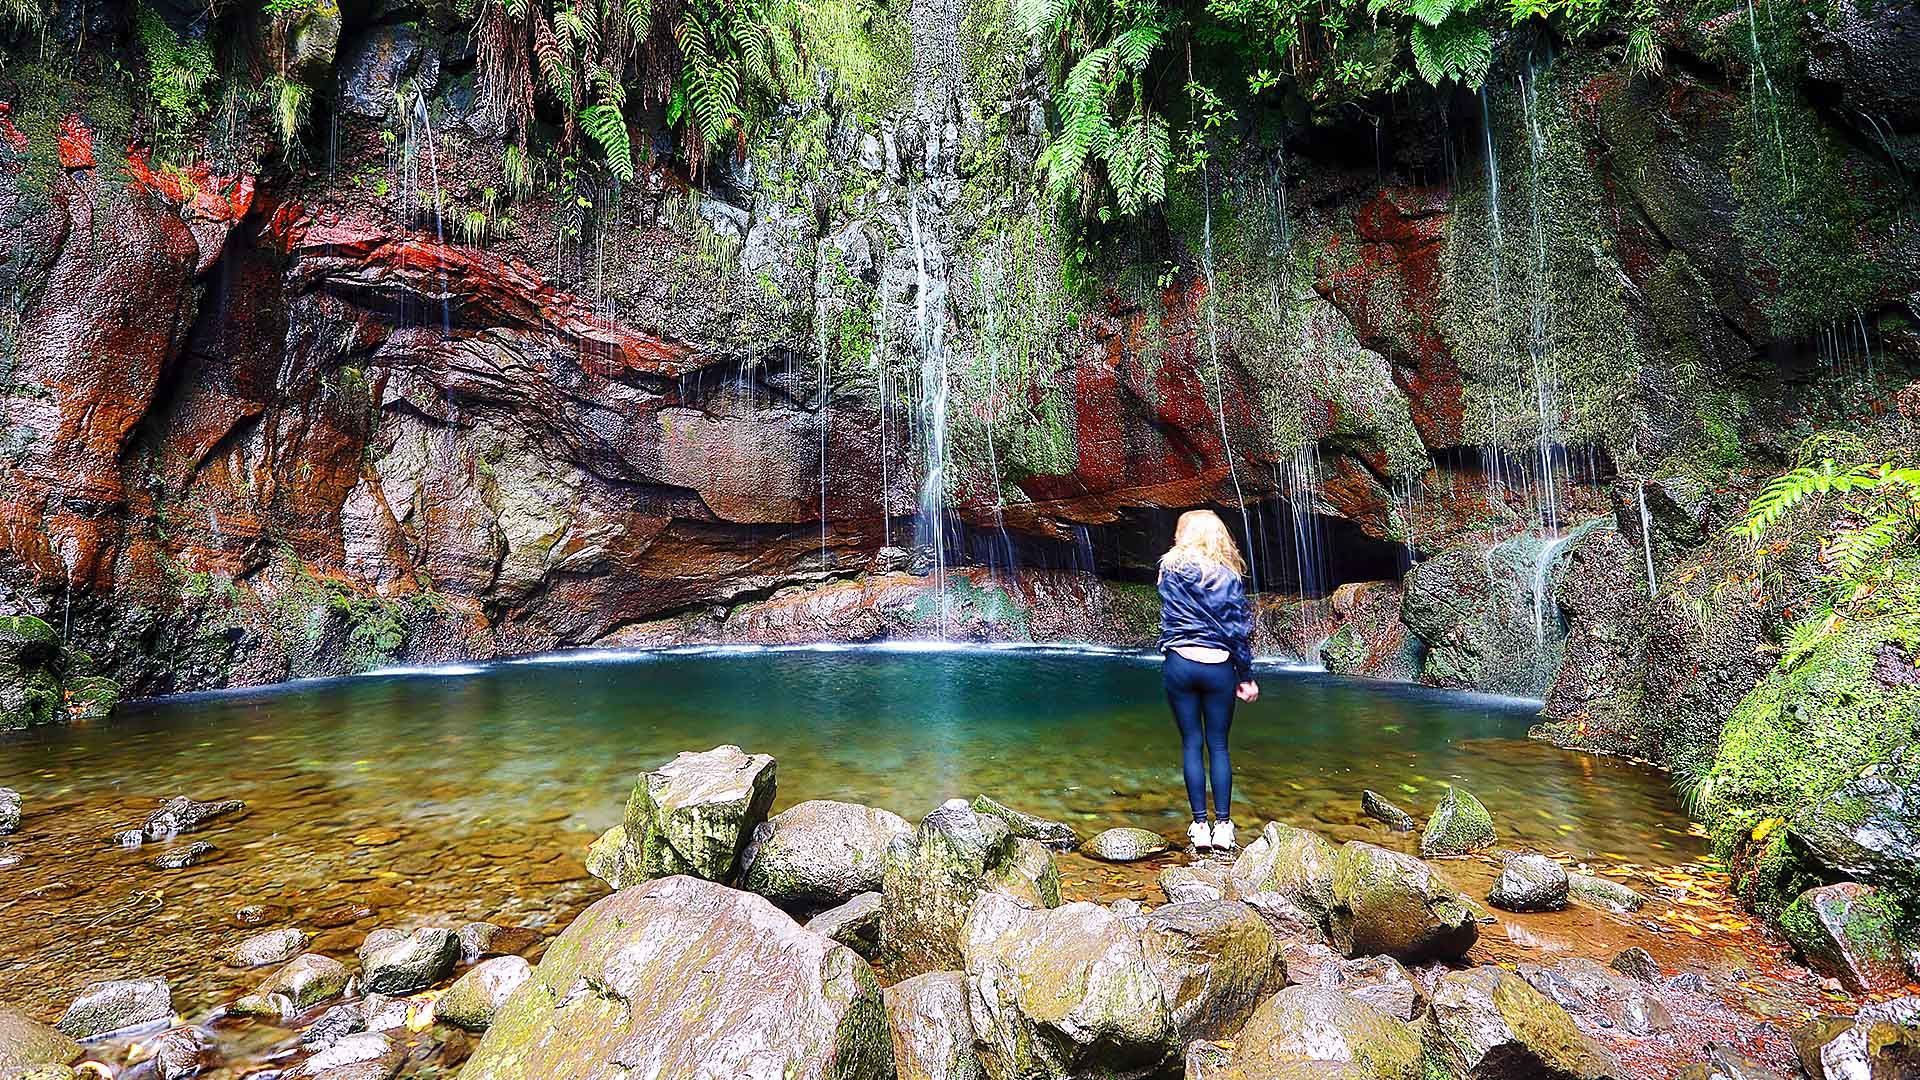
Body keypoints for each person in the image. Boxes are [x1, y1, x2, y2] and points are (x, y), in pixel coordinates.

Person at [1156, 509, 1259, 853]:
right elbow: (1237, 631)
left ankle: (1199, 825)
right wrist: (1245, 677)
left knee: (1190, 743)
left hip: (1179, 663)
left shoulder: (1168, 571)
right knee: (1218, 745)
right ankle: (1224, 828)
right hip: (1218, 666)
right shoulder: (1229, 577)